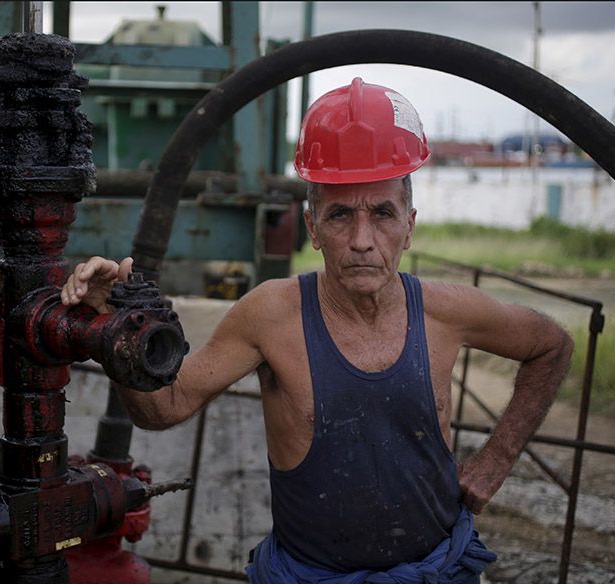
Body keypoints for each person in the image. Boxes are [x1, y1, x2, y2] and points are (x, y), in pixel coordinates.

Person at [60, 77, 574, 583]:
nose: (362, 240)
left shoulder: (445, 311)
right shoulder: (270, 315)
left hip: (438, 570)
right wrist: (115, 328)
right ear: (312, 226)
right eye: (340, 215)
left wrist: (496, 459)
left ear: (410, 225)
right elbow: (163, 408)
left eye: (383, 214)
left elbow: (551, 346)